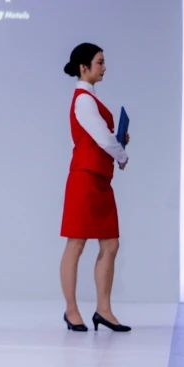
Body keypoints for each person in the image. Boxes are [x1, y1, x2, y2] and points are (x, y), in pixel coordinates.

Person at [59, 42, 131, 333]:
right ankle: (72, 310)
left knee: (110, 244)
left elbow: (102, 137)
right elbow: (102, 138)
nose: (104, 67)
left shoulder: (89, 99)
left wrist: (117, 142)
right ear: (83, 67)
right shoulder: (83, 100)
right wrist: (121, 153)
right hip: (85, 179)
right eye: (99, 62)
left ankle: (104, 310)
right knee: (76, 243)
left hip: (99, 179)